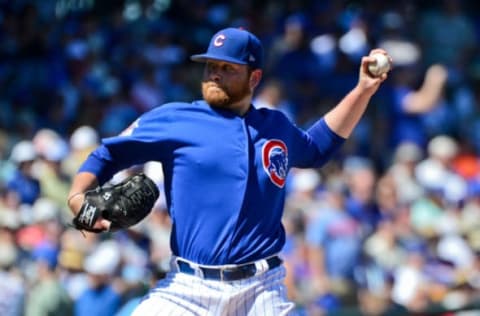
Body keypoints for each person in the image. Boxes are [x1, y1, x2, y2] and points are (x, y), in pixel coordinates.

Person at [67, 27, 391, 315]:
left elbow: (319, 147)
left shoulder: (274, 126)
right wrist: (77, 197)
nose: (215, 74)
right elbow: (107, 154)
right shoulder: (175, 119)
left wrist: (363, 89)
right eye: (210, 66)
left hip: (261, 290)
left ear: (254, 78)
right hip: (187, 289)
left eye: (227, 68)